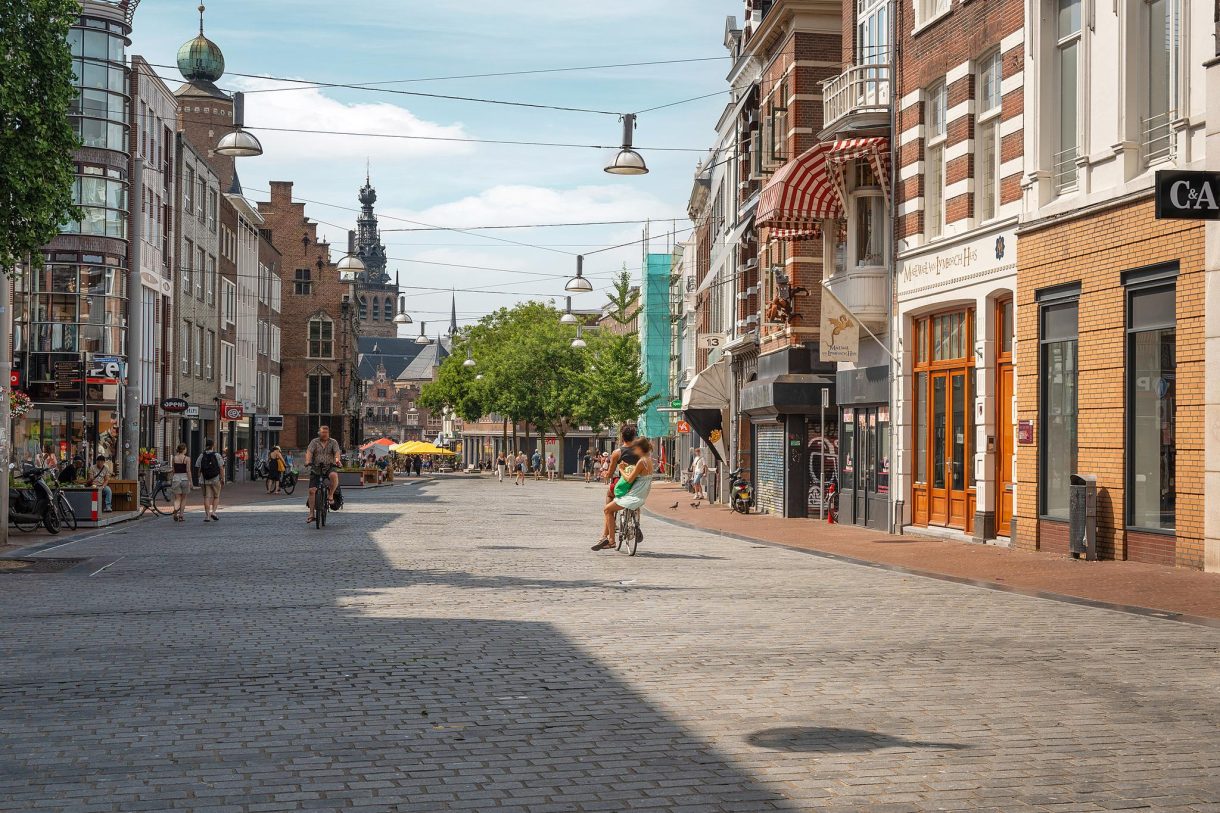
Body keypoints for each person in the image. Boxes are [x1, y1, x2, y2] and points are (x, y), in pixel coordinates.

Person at [593, 437, 654, 550]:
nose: (633, 450)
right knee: (611, 506)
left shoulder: (641, 462)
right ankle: (636, 526)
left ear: (640, 449)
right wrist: (627, 467)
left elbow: (629, 479)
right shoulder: (648, 460)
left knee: (607, 509)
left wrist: (621, 469)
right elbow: (638, 474)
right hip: (641, 495)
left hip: (633, 496)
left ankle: (611, 541)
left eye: (635, 448)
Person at [305, 425, 341, 524]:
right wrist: (307, 461)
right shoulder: (314, 442)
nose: (324, 434)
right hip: (316, 467)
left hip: (330, 466)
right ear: (319, 433)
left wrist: (337, 461)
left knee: (334, 475)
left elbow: (337, 453)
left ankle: (330, 495)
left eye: (326, 433)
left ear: (328, 433)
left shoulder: (333, 442)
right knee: (312, 490)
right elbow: (309, 452)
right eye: (322, 433)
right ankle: (311, 514)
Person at [195, 439, 225, 522]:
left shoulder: (201, 455)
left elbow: (198, 467)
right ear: (213, 446)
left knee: (206, 497)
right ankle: (214, 512)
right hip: (215, 479)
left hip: (204, 479)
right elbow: (221, 468)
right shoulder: (217, 455)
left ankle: (207, 516)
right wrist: (222, 478)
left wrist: (199, 476)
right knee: (216, 496)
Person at [169, 443, 191, 521]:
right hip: (185, 479)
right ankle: (181, 515)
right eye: (186, 449)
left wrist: (172, 478)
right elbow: (188, 470)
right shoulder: (187, 459)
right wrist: (190, 481)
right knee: (184, 498)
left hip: (176, 479)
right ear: (184, 449)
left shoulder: (174, 458)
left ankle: (175, 512)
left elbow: (173, 470)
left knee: (177, 498)